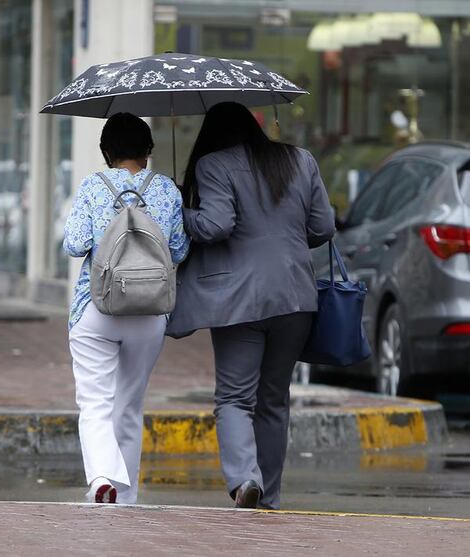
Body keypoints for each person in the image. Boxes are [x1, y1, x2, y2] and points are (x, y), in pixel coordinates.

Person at [166, 102, 335, 510]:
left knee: (235, 398)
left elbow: (216, 225)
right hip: (295, 294)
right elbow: (324, 226)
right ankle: (269, 496)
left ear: (211, 133)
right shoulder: (300, 159)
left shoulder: (213, 165)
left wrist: (178, 210)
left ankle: (245, 480)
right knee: (275, 399)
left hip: (238, 300)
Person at [63, 113, 189, 504]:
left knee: (95, 402)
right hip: (150, 313)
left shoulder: (92, 186)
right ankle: (126, 494)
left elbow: (74, 243)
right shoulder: (166, 189)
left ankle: (102, 477)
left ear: (106, 151)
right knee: (130, 405)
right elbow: (180, 250)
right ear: (149, 150)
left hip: (97, 307)